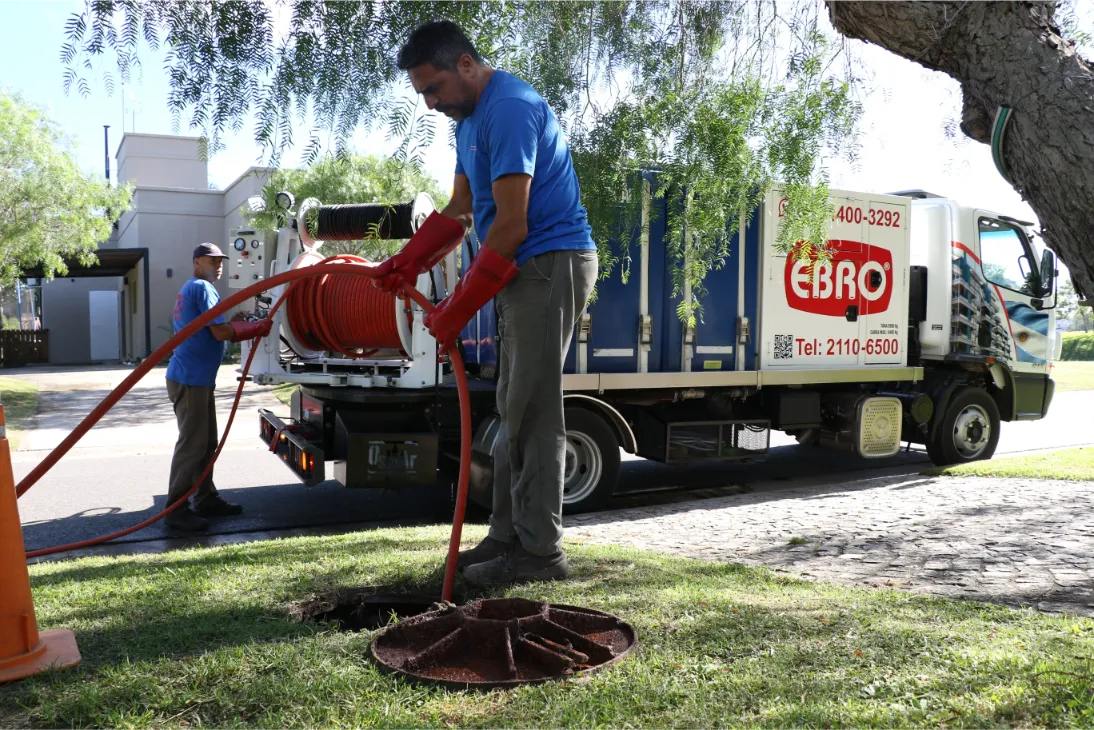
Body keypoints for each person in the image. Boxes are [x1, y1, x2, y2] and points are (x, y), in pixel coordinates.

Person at [374, 21, 598, 585]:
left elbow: (513, 226)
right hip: (520, 268)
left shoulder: (511, 107)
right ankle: (506, 537)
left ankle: (541, 555)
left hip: (550, 262)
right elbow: (460, 208)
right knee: (511, 407)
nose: (429, 104)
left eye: (434, 88)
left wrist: (455, 308)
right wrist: (406, 261)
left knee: (536, 413)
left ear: (466, 65)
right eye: (422, 93)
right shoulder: (468, 121)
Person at [164, 242, 272, 532]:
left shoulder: (193, 288)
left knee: (206, 442)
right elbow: (220, 332)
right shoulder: (202, 288)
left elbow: (216, 326)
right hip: (190, 379)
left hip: (194, 378)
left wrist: (238, 322)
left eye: (221, 260)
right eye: (212, 261)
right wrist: (255, 328)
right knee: (192, 445)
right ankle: (176, 510)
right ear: (197, 262)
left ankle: (206, 497)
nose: (219, 265)